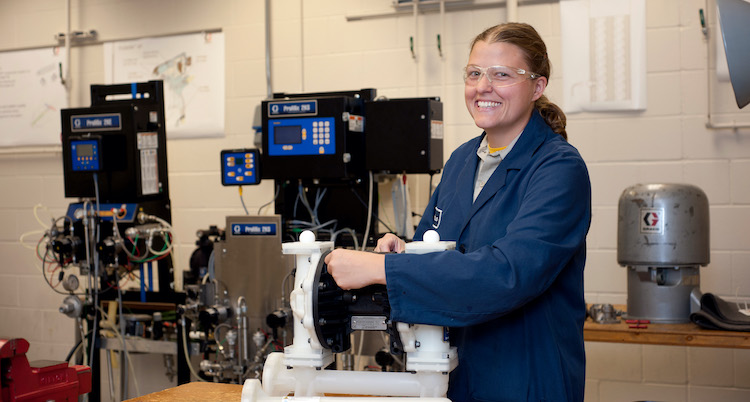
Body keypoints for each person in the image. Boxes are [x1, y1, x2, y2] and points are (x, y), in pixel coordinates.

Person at [325, 22, 591, 401]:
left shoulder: (558, 169)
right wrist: (401, 251)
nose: (484, 86)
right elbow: (432, 252)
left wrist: (379, 268)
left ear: (537, 86)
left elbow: (508, 273)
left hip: (525, 377)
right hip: (452, 375)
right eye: (475, 73)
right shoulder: (462, 161)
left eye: (502, 74)